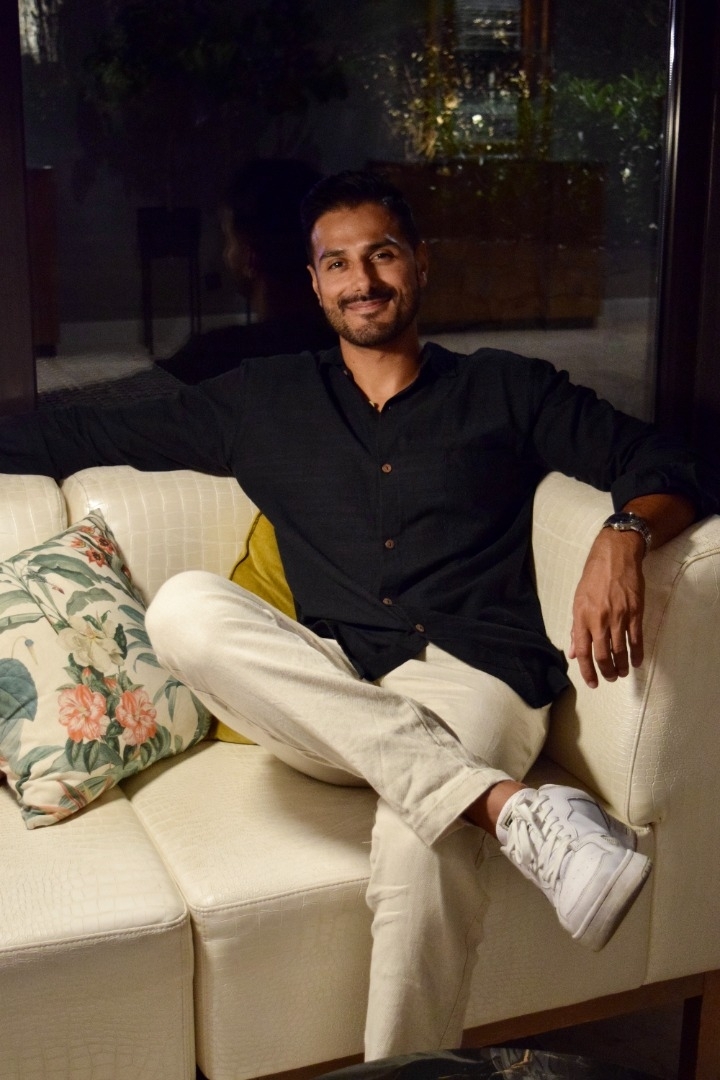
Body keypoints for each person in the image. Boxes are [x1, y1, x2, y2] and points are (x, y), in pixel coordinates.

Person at [1, 170, 717, 1058]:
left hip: (477, 680)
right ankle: (507, 809)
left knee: (424, 845)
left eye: (381, 254)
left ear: (420, 263)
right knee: (184, 607)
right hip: (332, 692)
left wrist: (623, 533)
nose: (362, 280)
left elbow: (668, 460)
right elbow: (80, 435)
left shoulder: (507, 389)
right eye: (337, 263)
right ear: (314, 284)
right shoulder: (264, 400)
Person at [156, 158, 336, 384]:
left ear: (251, 257)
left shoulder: (211, 358)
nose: (226, 254)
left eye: (229, 240)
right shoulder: (348, 352)